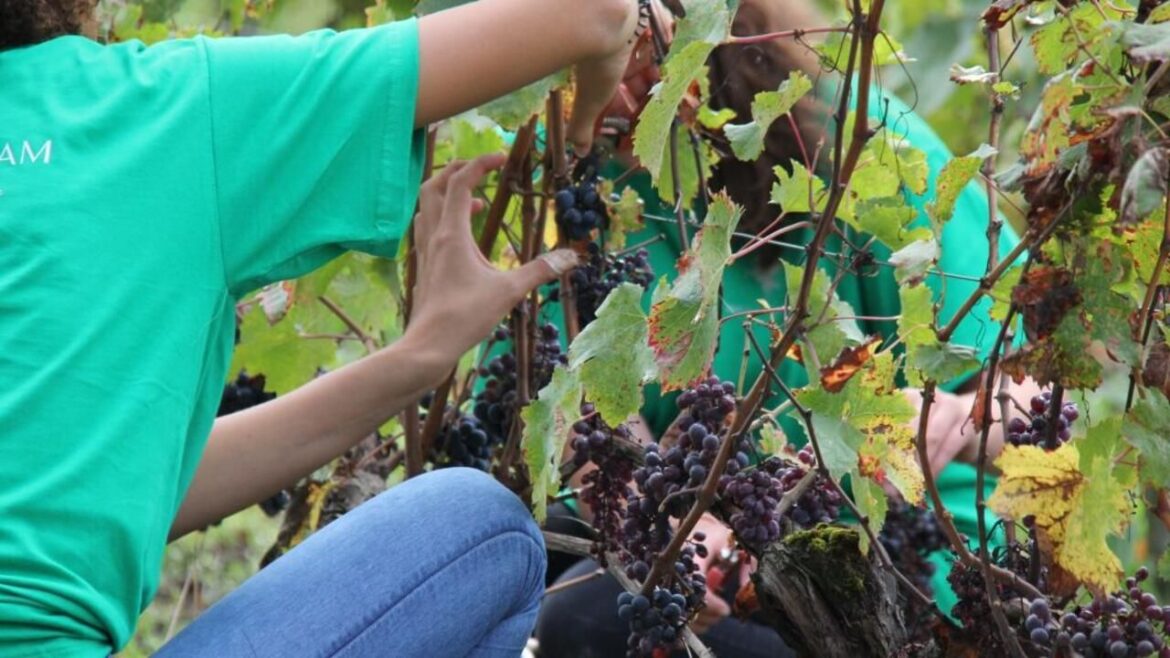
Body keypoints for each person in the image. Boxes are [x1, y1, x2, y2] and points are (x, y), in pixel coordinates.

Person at [0, 0, 647, 656]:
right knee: (485, 530)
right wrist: (593, 103)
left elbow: (113, 489)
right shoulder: (152, 110)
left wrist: (418, 359)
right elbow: (596, 11)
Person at [534, 1, 1041, 656]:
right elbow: (587, 413)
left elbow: (1039, 407)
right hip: (736, 561)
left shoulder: (863, 143)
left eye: (629, 36)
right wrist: (675, 529)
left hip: (899, 563)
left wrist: (957, 417)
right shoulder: (588, 188)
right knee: (537, 554)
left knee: (590, 617)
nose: (606, 71)